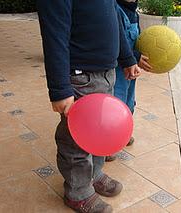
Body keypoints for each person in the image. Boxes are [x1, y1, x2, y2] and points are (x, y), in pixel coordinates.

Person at [37, 1, 142, 212]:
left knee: (99, 133)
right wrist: (60, 89)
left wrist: (128, 59)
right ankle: (78, 192)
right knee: (76, 140)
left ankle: (94, 174)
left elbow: (115, 24)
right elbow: (54, 35)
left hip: (107, 73)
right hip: (80, 76)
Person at [105, 0, 152, 162]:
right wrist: (135, 57)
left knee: (129, 103)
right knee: (115, 105)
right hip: (118, 70)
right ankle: (109, 144)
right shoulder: (114, 9)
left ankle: (123, 133)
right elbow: (115, 42)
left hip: (130, 71)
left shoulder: (134, 14)